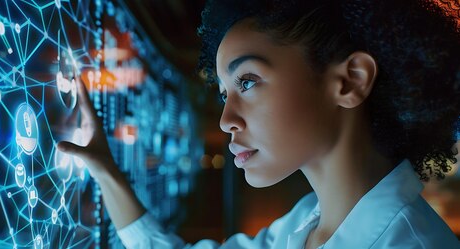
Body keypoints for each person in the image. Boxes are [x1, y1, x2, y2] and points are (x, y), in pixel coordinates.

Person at [57, 0, 460, 248]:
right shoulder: (304, 224)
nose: (226, 120)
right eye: (224, 93)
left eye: (247, 81)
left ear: (350, 81)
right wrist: (105, 169)